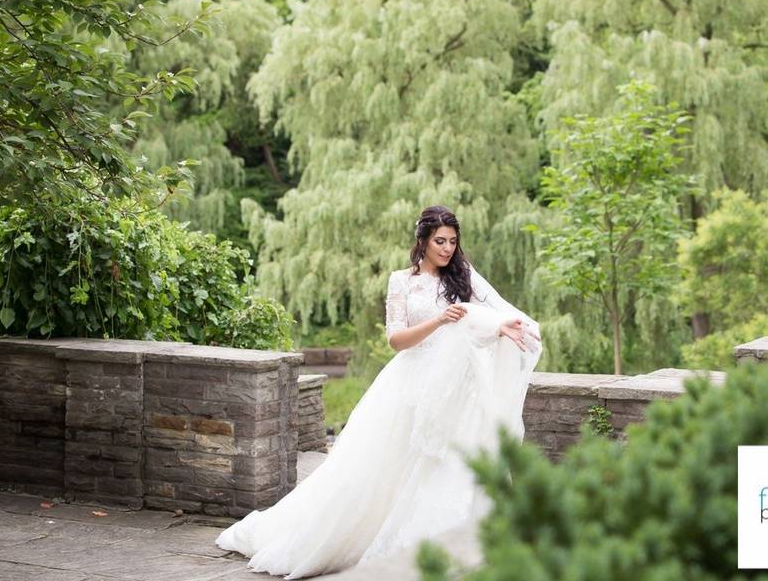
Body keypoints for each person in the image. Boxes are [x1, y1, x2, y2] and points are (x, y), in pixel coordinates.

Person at [214, 205, 542, 578]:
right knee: (382, 468)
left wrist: (504, 327)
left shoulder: (463, 276)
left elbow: (492, 312)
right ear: (422, 240)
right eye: (440, 241)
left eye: (452, 241)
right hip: (410, 383)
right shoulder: (401, 281)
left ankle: (445, 544)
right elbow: (396, 340)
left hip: (455, 388)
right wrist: (438, 319)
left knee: (447, 465)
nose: (447, 248)